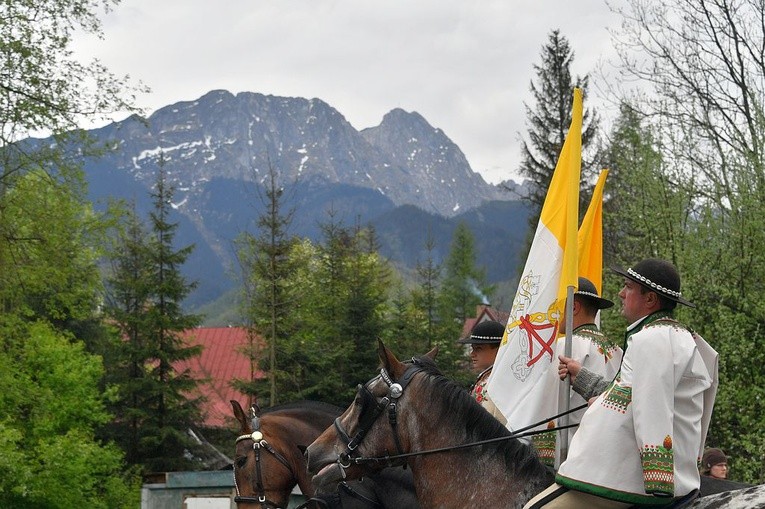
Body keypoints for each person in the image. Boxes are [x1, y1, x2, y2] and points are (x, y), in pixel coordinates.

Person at [524, 258, 719, 509]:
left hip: (635, 480)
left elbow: (651, 408)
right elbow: (632, 396)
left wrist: (658, 479)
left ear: (650, 299)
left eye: (628, 287)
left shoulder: (653, 339)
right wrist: (589, 386)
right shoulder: (670, 335)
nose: (621, 293)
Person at [533, 277, 623, 466]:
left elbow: (549, 403)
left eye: (560, 306)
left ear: (574, 307)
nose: (556, 314)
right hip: (608, 452)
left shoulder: (566, 346)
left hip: (571, 454)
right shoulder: (617, 351)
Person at [457, 320, 507, 425]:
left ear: (498, 351)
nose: (472, 354)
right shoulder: (487, 377)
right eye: (473, 348)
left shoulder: (500, 382)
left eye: (478, 349)